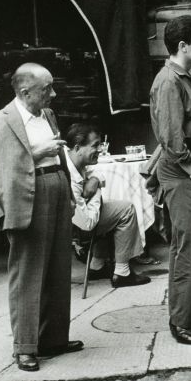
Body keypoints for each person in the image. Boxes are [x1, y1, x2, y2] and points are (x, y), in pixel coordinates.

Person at [0, 63, 82, 371]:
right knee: (27, 274)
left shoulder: (48, 115)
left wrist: (69, 193)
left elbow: (60, 157)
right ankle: (25, 346)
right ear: (25, 92)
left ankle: (54, 338)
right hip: (26, 197)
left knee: (58, 268)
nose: (53, 94)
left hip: (56, 188)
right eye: (47, 89)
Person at [149, 15, 191, 345]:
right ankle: (180, 320)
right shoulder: (169, 82)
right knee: (188, 247)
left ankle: (185, 310)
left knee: (187, 245)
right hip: (183, 171)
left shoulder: (181, 78)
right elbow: (172, 139)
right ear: (182, 46)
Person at [64, 123, 151, 288]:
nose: (100, 149)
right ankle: (122, 273)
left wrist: (95, 179)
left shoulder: (72, 159)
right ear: (77, 148)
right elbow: (87, 224)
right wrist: (96, 191)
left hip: (79, 219)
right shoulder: (70, 177)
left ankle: (97, 265)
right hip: (75, 230)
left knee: (111, 209)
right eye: (95, 145)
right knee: (126, 210)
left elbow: (97, 172)